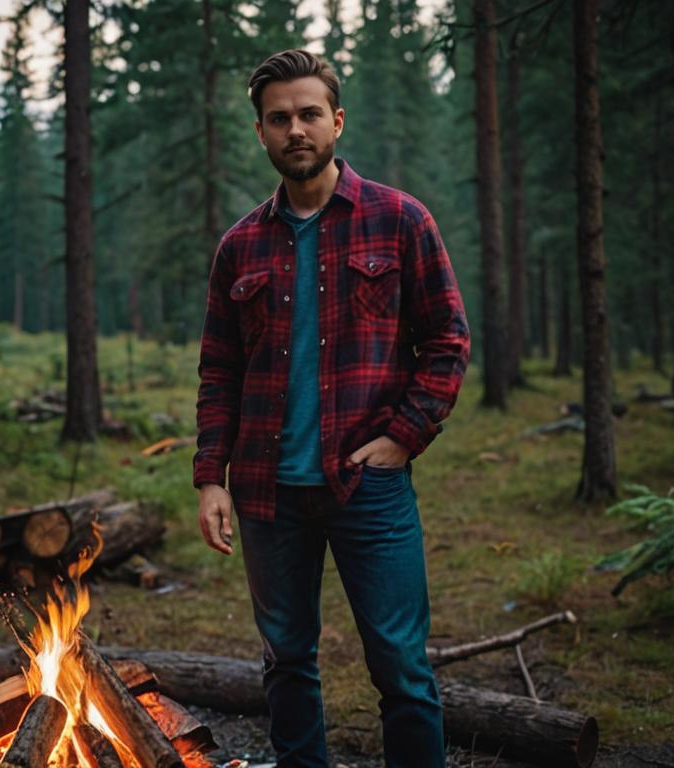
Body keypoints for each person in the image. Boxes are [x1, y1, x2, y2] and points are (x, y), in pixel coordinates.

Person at [193, 48, 470, 768]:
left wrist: (405, 437)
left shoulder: (400, 220)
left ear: (337, 121)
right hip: (267, 493)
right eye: (279, 118)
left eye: (309, 113)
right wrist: (210, 476)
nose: (296, 129)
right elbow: (219, 371)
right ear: (260, 132)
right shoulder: (240, 247)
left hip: (367, 486)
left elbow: (447, 341)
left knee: (402, 671)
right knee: (286, 662)